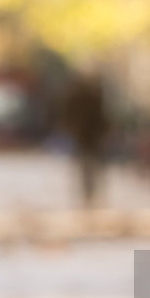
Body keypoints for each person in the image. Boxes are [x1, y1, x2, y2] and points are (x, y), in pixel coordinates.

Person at [57, 72, 111, 207]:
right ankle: (89, 190)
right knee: (90, 164)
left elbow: (68, 114)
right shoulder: (92, 95)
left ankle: (88, 191)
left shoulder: (83, 96)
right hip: (88, 135)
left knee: (86, 164)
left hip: (85, 135)